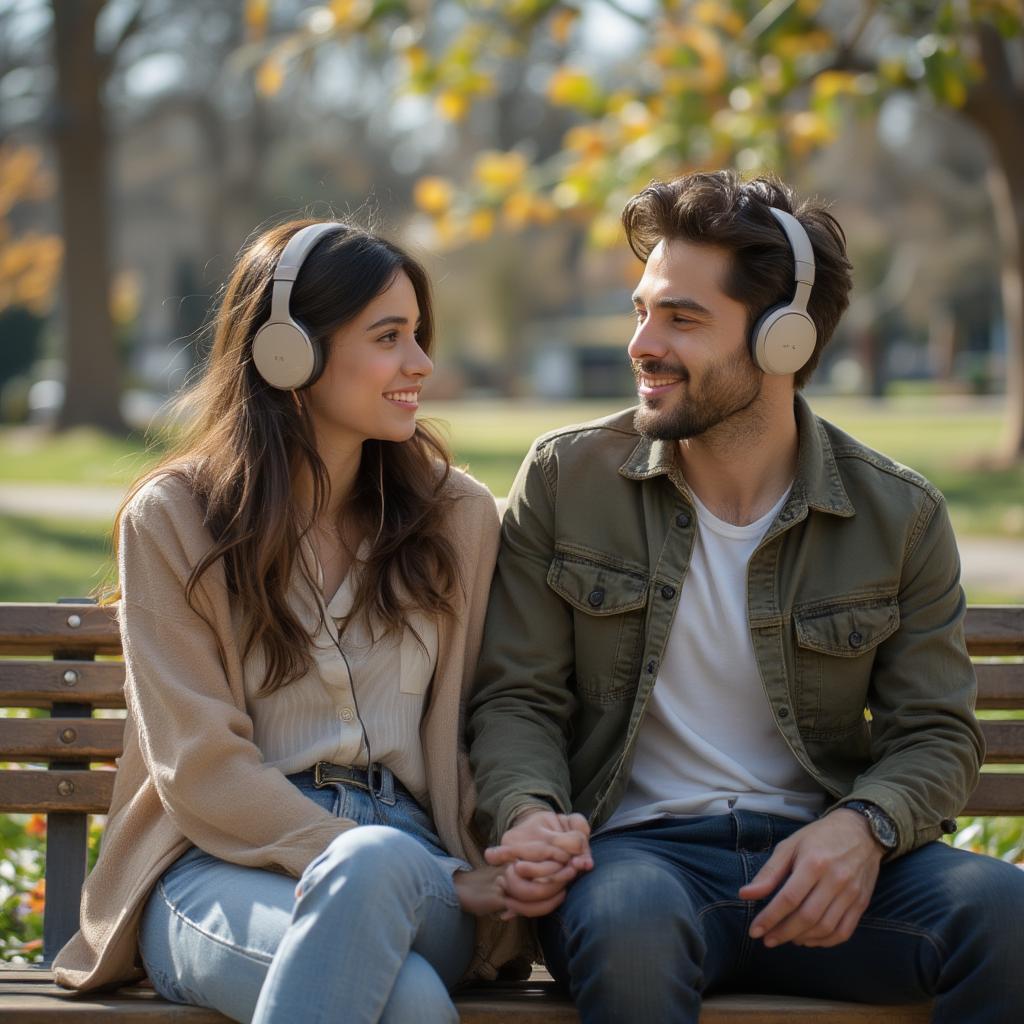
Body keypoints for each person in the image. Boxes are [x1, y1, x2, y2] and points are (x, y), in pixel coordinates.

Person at [468, 171, 1024, 1022]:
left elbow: (937, 735)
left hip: (823, 867)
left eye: (681, 318)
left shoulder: (899, 514)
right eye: (642, 309)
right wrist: (532, 811)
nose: (642, 343)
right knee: (632, 927)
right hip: (637, 864)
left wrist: (863, 829)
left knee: (1004, 913)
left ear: (785, 342)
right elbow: (519, 698)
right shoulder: (566, 479)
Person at [53, 219, 532, 1023]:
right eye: (390, 337)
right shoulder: (176, 519)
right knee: (407, 1000)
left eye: (418, 335)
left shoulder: (459, 516)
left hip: (417, 868)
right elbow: (198, 767)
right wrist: (347, 850)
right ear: (289, 353)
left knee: (381, 864)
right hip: (214, 866)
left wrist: (496, 851)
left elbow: (488, 716)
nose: (420, 364)